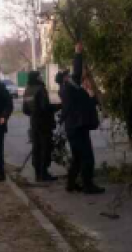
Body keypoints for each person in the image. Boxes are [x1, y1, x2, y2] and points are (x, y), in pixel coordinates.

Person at [60, 43, 105, 194]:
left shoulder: (70, 90)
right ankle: (88, 185)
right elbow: (78, 73)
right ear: (65, 79)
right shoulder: (69, 89)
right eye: (67, 75)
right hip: (77, 128)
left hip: (75, 127)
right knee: (87, 157)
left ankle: (71, 184)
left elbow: (83, 103)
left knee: (78, 157)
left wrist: (95, 99)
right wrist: (78, 53)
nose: (70, 75)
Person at [23, 70, 61, 182]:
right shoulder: (41, 89)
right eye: (40, 76)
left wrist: (34, 113)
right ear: (36, 78)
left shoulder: (27, 90)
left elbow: (25, 110)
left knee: (36, 148)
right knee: (45, 147)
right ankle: (44, 174)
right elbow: (46, 107)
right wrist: (59, 106)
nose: (41, 77)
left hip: (34, 123)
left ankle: (37, 174)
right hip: (44, 123)